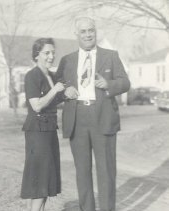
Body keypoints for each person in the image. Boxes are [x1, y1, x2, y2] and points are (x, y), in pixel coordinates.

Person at [56, 17, 130, 211]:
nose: (88, 35)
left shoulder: (111, 56)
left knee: (106, 171)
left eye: (91, 31)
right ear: (76, 35)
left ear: (95, 32)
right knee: (82, 172)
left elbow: (125, 82)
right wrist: (64, 92)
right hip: (77, 118)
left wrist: (109, 85)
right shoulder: (67, 60)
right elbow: (56, 87)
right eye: (83, 31)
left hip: (103, 117)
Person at [21, 38, 65, 211]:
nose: (51, 56)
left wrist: (67, 92)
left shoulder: (51, 76)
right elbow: (36, 105)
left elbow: (58, 99)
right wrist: (55, 90)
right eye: (47, 53)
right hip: (37, 131)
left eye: (53, 52)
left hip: (49, 130)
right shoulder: (32, 76)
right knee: (40, 177)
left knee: (45, 180)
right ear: (37, 55)